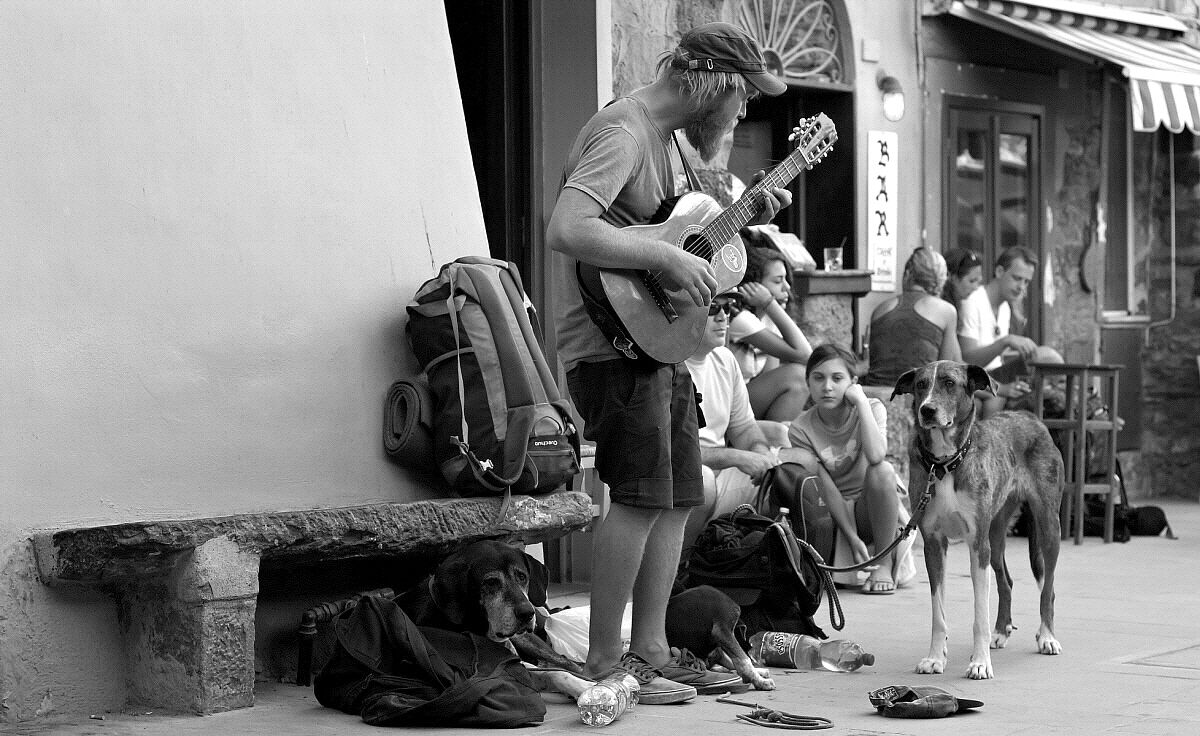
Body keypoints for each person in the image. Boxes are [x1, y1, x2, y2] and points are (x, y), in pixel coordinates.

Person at [544, 21, 792, 703]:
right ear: (711, 85)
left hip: (658, 347)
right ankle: (602, 662)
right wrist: (663, 256)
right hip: (610, 347)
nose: (743, 113)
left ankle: (650, 648)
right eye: (741, 98)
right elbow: (568, 229)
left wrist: (739, 216)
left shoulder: (667, 144)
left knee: (679, 493)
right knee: (637, 496)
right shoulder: (622, 133)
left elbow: (669, 228)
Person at [780, 344, 906, 595]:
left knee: (882, 470)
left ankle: (884, 561)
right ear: (808, 382)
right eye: (818, 378)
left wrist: (861, 402)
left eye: (837, 379)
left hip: (872, 507)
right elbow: (825, 486)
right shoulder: (801, 428)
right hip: (831, 514)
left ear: (853, 382)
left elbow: (876, 456)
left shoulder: (872, 408)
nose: (827, 387)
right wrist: (851, 537)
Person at [682, 293, 784, 550]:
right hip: (682, 480)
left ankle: (761, 565)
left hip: (720, 479)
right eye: (713, 307)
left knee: (787, 473)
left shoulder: (725, 359)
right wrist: (739, 458)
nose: (723, 316)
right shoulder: (670, 365)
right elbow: (676, 454)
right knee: (700, 479)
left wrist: (761, 454)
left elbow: (744, 428)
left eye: (729, 308)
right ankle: (679, 568)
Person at [958, 246, 1062, 410]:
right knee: (1046, 356)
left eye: (1026, 282)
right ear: (999, 271)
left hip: (997, 375)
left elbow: (999, 355)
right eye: (1017, 278)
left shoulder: (1005, 307)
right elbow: (967, 360)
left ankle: (1064, 398)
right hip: (976, 377)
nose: (1022, 287)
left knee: (1048, 357)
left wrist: (1016, 350)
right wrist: (1006, 342)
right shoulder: (972, 302)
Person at [728, 246, 814, 421]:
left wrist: (770, 308)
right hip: (727, 401)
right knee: (798, 377)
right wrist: (769, 302)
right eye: (777, 281)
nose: (787, 287)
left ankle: (772, 439)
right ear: (753, 285)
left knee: (797, 378)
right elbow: (805, 355)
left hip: (745, 399)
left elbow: (770, 374)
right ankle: (772, 442)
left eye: (786, 280)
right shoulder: (737, 317)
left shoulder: (766, 319)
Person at [863, 247, 961, 388]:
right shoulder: (946, 311)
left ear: (908, 274)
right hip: (918, 398)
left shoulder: (880, 309)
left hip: (876, 396)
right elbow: (944, 370)